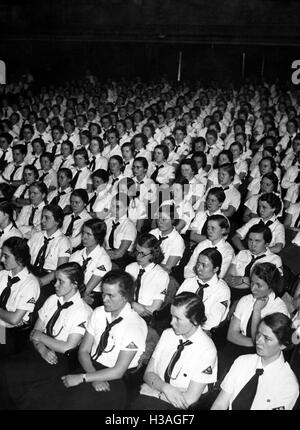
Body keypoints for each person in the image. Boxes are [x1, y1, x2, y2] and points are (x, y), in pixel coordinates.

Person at [40, 270, 147, 410]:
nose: (104, 299)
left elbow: (118, 371)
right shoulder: (99, 312)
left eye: (110, 295)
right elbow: (83, 351)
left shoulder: (135, 325)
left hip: (114, 378)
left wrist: (83, 378)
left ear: (126, 297)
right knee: (50, 396)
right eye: (103, 293)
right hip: (90, 366)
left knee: (75, 403)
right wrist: (91, 375)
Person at [0, 262, 92, 410]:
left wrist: (40, 337)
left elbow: (67, 347)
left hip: (58, 360)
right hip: (38, 349)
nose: (55, 284)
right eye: (55, 279)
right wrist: (41, 347)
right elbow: (34, 332)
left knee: (8, 372)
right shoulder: (52, 300)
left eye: (61, 281)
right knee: (5, 368)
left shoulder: (83, 311)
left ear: (75, 284)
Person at [131, 292, 218, 410]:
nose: (171, 322)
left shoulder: (207, 350)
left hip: (178, 406)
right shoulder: (167, 334)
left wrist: (154, 393)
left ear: (195, 321)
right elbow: (148, 374)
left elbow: (189, 400)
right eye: (171, 316)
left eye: (178, 318)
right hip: (159, 393)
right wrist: (167, 388)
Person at [211, 313, 299, 410]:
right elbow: (220, 404)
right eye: (258, 334)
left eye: (267, 338)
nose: (258, 341)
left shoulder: (288, 385)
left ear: (283, 345)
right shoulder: (242, 362)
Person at [218, 263, 289, 380]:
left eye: (259, 285)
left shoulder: (279, 309)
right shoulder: (245, 300)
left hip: (263, 355)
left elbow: (262, 342)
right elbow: (231, 335)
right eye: (252, 283)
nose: (252, 288)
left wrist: (257, 310)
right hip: (240, 345)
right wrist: (254, 342)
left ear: (271, 286)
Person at [0, 237, 40, 357]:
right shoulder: (2, 275)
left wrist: (7, 316)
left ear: (19, 259)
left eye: (6, 256)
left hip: (9, 333)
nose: (2, 259)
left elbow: (14, 320)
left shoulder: (30, 284)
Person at [225, 224, 283, 303]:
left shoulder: (274, 259)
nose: (252, 244)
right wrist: (244, 282)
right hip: (229, 291)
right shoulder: (242, 253)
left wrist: (244, 279)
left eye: (257, 241)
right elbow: (228, 276)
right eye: (250, 240)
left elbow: (269, 284)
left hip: (254, 297)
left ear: (267, 244)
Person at [178, 248, 231, 332]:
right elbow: (176, 305)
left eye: (204, 265)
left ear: (215, 269)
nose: (199, 268)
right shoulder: (189, 282)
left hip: (203, 331)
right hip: (179, 324)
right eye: (198, 264)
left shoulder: (222, 290)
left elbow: (213, 322)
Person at [125, 233, 169, 321]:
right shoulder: (130, 268)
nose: (138, 256)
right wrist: (134, 305)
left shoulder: (161, 275)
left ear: (153, 254)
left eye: (143, 253)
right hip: (125, 312)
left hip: (145, 318)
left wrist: (129, 304)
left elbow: (153, 309)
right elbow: (121, 295)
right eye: (137, 251)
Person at [70, 219, 111, 308]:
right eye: (83, 233)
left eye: (89, 234)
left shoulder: (103, 259)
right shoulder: (77, 254)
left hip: (93, 296)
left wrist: (75, 297)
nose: (84, 237)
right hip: (74, 290)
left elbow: (87, 290)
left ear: (98, 237)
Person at [185, 214, 234, 279]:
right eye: (208, 227)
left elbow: (219, 276)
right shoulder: (202, 245)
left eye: (213, 228)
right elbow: (188, 269)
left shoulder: (228, 251)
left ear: (223, 230)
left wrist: (196, 269)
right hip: (193, 280)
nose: (209, 231)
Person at [104, 193, 137, 269]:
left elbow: (119, 254)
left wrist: (102, 253)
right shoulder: (107, 222)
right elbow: (100, 242)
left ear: (126, 208)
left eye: (118, 207)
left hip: (121, 261)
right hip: (106, 256)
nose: (113, 209)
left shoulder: (129, 226)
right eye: (112, 206)